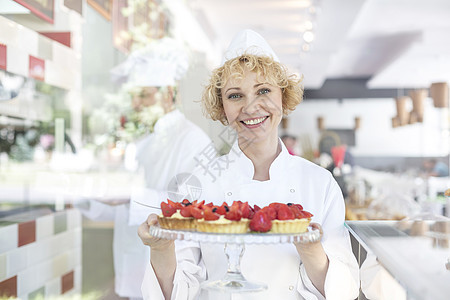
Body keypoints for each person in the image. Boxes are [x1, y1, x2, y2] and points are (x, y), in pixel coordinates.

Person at [138, 29, 359, 300]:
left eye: (263, 90)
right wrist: (161, 248)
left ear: (283, 96)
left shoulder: (320, 183)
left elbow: (344, 292)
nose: (251, 107)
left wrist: (311, 250)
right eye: (235, 95)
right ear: (222, 107)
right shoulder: (198, 184)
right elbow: (177, 293)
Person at [78, 37, 214, 300]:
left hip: (172, 275)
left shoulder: (194, 141)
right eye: (133, 96)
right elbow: (120, 206)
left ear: (169, 94)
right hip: (130, 267)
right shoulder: (141, 144)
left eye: (143, 95)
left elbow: (193, 207)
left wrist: (131, 195)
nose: (136, 104)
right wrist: (84, 196)